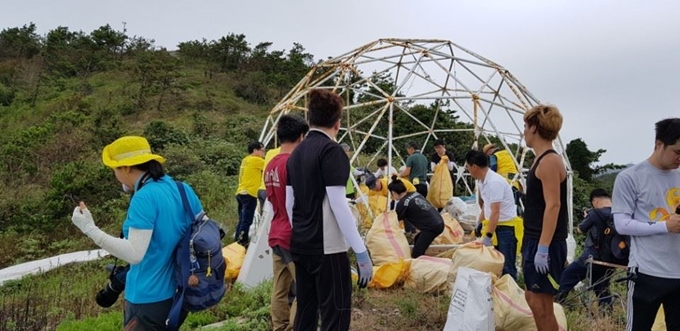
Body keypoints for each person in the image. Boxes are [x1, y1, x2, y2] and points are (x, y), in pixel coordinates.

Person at [71, 136, 201, 330]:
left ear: (126, 168)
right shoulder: (182, 189)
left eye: (114, 169)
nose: (115, 175)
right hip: (179, 293)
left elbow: (134, 253)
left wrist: (89, 228)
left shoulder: (144, 197)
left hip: (149, 297)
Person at [285, 89, 373, 331]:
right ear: (338, 123)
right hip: (328, 247)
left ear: (310, 120)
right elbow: (338, 204)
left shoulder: (295, 154)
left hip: (301, 244)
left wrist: (301, 232)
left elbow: (287, 203)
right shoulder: (332, 151)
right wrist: (360, 250)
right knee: (335, 312)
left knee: (306, 309)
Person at [612, 117, 680, 331]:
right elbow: (622, 224)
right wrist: (665, 226)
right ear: (659, 144)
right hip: (646, 272)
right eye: (677, 152)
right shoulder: (630, 178)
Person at [521, 104, 568, 331]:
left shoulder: (549, 161)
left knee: (542, 305)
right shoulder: (539, 159)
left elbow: (554, 205)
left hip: (544, 242)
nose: (524, 132)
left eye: (526, 126)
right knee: (532, 297)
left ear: (534, 128)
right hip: (534, 238)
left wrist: (543, 248)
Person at [265, 114, 309, 331]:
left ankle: (280, 327)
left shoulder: (271, 164)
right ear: (301, 137)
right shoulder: (294, 164)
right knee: (307, 290)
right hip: (294, 236)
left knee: (280, 288)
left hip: (276, 233)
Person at [465, 149, 522, 280]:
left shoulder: (494, 182)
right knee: (496, 265)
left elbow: (496, 212)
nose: (467, 170)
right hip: (495, 226)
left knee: (507, 266)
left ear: (474, 167)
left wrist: (488, 236)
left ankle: (511, 294)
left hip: (506, 228)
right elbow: (487, 205)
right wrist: (479, 223)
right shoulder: (482, 181)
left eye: (468, 167)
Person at [555, 188, 614, 311]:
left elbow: (581, 230)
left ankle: (557, 305)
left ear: (595, 200)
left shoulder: (595, 213)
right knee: (601, 286)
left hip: (592, 257)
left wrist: (587, 218)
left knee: (567, 275)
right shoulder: (617, 213)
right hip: (612, 260)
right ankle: (607, 313)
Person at [389, 176, 445, 258]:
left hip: (431, 228)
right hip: (439, 222)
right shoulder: (415, 194)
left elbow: (393, 221)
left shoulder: (402, 204)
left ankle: (422, 267)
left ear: (394, 193)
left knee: (417, 253)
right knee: (417, 240)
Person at [235, 141, 265, 246]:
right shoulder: (256, 160)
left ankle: (237, 240)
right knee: (247, 220)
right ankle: (242, 242)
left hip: (240, 192)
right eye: (262, 150)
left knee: (242, 219)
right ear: (255, 150)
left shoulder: (245, 160)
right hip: (249, 193)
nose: (263, 153)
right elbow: (269, 164)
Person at [484, 143, 524, 215]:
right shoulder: (507, 153)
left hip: (505, 183)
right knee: (515, 205)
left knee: (507, 207)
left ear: (489, 151)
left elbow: (494, 168)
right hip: (515, 182)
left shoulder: (494, 156)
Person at [400, 141, 429, 234]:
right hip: (424, 185)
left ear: (411, 149)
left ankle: (411, 229)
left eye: (408, 150)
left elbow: (407, 172)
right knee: (421, 208)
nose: (408, 152)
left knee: (409, 207)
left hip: (414, 185)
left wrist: (398, 175)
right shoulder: (424, 158)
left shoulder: (411, 157)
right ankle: (422, 227)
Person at [258, 146, 281, 214]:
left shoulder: (270, 152)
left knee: (264, 221)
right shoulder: (287, 153)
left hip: (262, 189)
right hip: (272, 191)